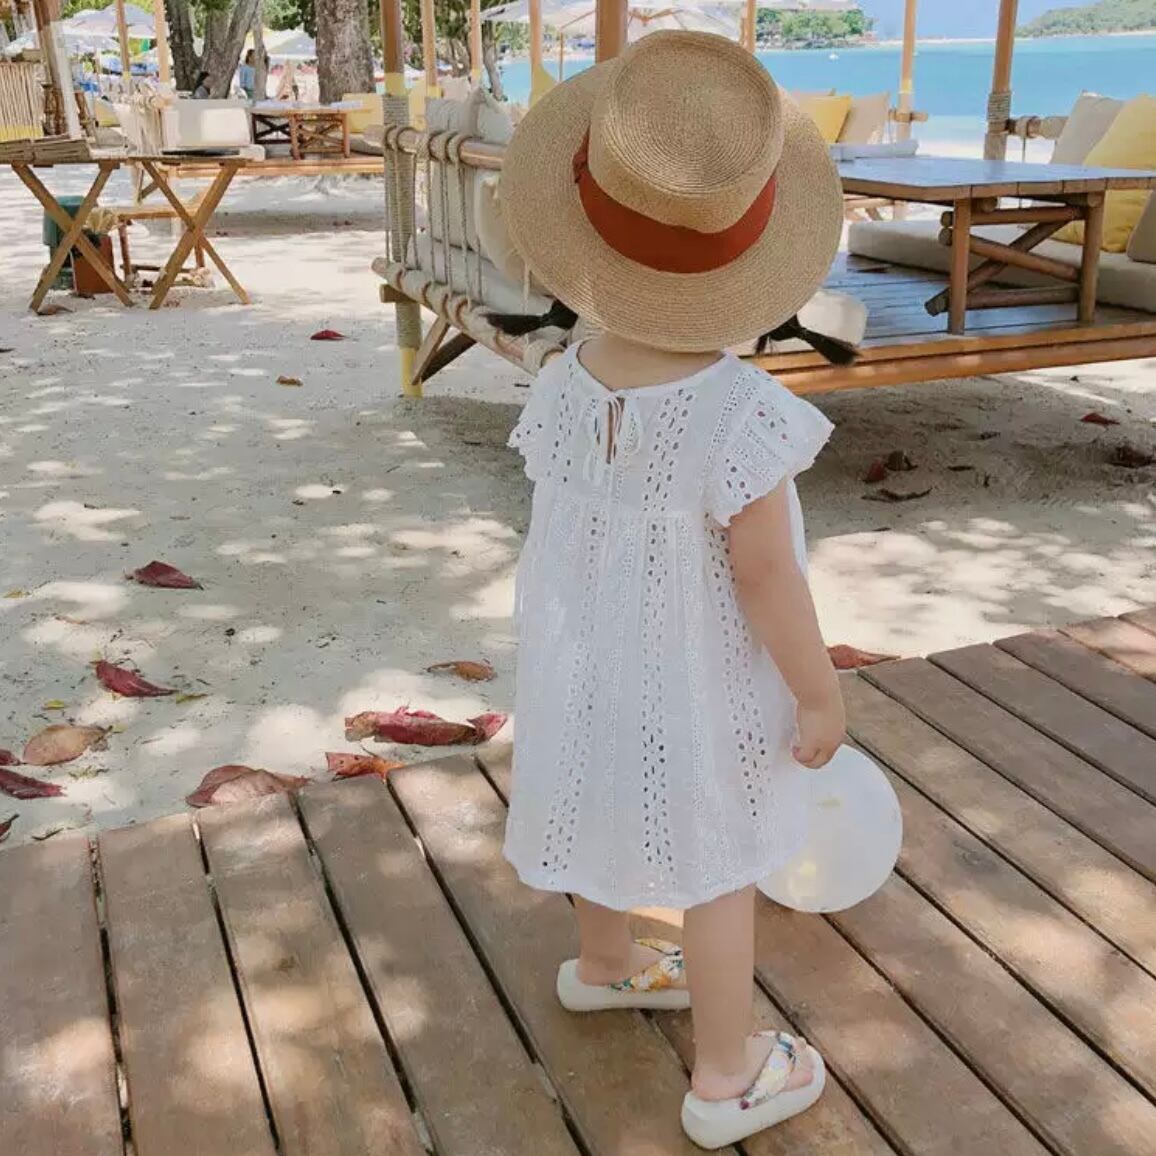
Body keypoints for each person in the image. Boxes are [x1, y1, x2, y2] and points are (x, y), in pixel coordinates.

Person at [494, 31, 847, 1150]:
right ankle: (726, 1075)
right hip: (694, 679)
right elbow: (764, 573)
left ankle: (605, 963)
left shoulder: (565, 379)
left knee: (598, 795)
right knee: (720, 859)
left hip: (586, 661)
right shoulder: (739, 413)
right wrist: (819, 690)